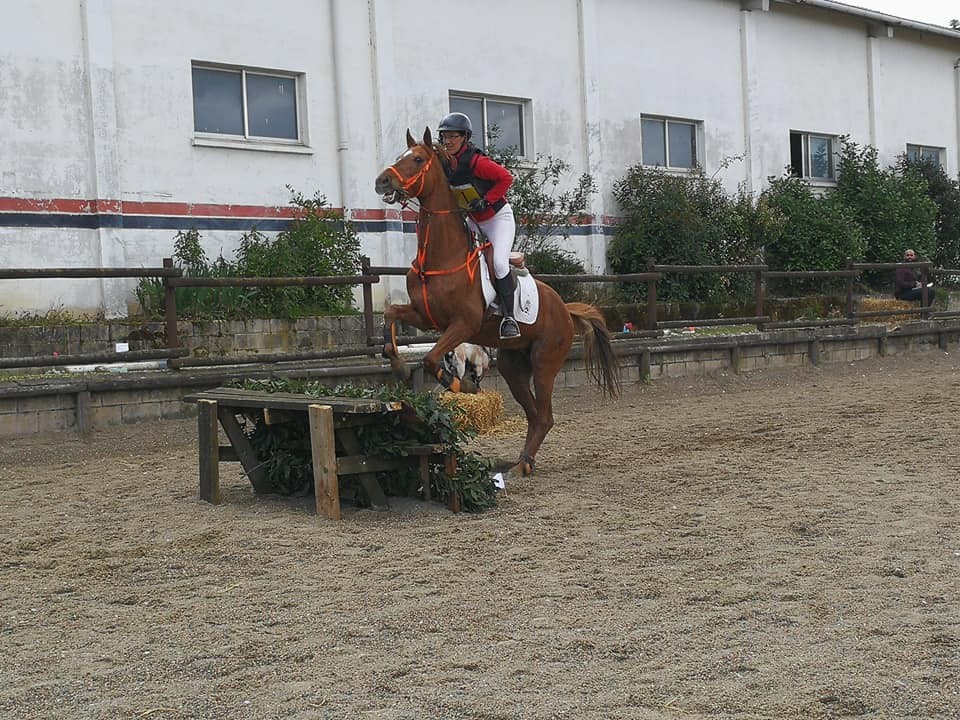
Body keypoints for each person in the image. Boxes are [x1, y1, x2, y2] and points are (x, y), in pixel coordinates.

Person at [437, 111, 520, 339]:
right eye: (445, 136)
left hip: (498, 220)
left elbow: (506, 178)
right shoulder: (447, 164)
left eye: (453, 136)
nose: (448, 141)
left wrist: (487, 199)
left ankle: (510, 318)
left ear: (464, 137)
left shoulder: (477, 162)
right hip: (473, 221)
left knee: (499, 264)